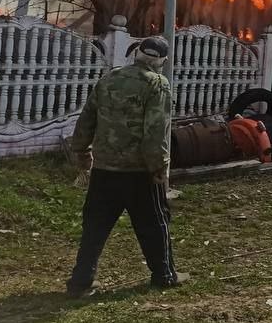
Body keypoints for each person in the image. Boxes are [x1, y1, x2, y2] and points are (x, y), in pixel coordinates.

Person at [66, 37, 184, 298]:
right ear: (161, 61)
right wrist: (159, 169)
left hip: (105, 169)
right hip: (139, 172)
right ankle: (164, 275)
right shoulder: (157, 84)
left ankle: (80, 281)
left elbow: (87, 117)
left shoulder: (109, 79)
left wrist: (81, 151)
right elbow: (155, 131)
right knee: (155, 224)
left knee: (95, 227)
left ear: (137, 54)